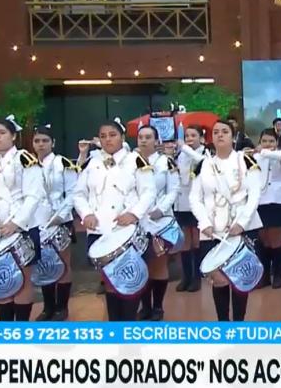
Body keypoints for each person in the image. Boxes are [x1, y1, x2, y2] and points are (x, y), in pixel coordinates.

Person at [73, 118, 155, 321]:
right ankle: (115, 324)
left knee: (129, 280)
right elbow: (78, 194)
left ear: (122, 137)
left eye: (112, 135)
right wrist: (86, 214)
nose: (108, 140)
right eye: (103, 136)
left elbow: (148, 192)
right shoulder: (92, 163)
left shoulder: (135, 161)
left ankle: (128, 324)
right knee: (108, 280)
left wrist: (133, 213)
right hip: (100, 231)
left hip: (126, 231)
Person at [189, 120, 263, 321]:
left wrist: (243, 222)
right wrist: (204, 223)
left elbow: (255, 194)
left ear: (233, 136)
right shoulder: (202, 165)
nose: (220, 135)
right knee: (219, 279)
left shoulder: (245, 161)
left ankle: (239, 322)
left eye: (225, 132)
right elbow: (194, 198)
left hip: (242, 226)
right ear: (210, 138)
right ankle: (223, 323)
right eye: (215, 132)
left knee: (240, 277)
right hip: (213, 229)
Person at [0, 116, 45, 321]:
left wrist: (16, 223)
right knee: (0, 278)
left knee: (22, 279)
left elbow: (34, 196)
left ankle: (21, 326)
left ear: (13, 136)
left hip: (19, 228)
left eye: (2, 132)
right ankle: (5, 325)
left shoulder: (25, 160)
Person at [31, 124, 78, 321]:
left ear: (53, 143)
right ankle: (48, 307)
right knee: (43, 264)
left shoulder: (63, 164)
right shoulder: (29, 165)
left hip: (60, 219)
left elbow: (74, 192)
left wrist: (62, 214)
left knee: (63, 263)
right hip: (36, 220)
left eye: (45, 141)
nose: (41, 145)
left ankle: (62, 306)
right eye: (37, 141)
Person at [135, 126, 181, 321]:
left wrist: (160, 210)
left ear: (156, 140)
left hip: (160, 219)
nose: (144, 141)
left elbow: (173, 189)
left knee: (159, 264)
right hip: (137, 220)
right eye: (140, 137)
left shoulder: (165, 162)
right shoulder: (131, 163)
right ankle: (144, 306)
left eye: (148, 137)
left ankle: (158, 306)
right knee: (141, 264)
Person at [252, 128, 281, 289]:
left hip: (279, 201)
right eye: (264, 141)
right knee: (263, 240)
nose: (267, 144)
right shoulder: (255, 157)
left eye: (271, 141)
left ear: (277, 142)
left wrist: (265, 153)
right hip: (260, 202)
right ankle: (265, 274)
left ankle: (278, 273)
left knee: (277, 240)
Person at [174, 125, 210, 292]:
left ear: (200, 137)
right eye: (187, 136)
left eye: (193, 135)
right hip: (181, 201)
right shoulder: (181, 154)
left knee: (196, 240)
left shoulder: (204, 152)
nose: (189, 139)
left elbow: (200, 162)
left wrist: (186, 149)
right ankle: (186, 276)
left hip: (196, 202)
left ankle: (197, 277)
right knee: (184, 242)